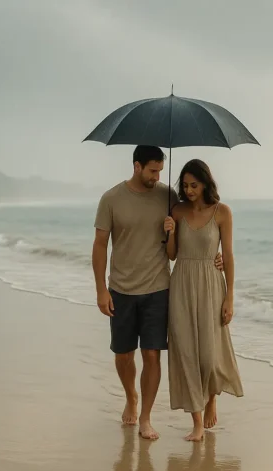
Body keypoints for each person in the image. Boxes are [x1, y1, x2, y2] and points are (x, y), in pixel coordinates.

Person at [92, 145, 224, 440]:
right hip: (122, 289)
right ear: (137, 166)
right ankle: (131, 397)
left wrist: (219, 257)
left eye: (161, 170)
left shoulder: (169, 198)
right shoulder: (111, 199)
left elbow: (197, 229)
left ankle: (146, 418)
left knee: (152, 354)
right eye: (152, 170)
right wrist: (101, 289)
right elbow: (100, 244)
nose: (158, 176)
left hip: (159, 288)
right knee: (123, 354)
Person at [164, 158, 244, 442]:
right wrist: (171, 231)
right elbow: (172, 255)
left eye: (194, 185)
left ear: (206, 183)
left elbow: (229, 255)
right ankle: (197, 422)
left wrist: (230, 296)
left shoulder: (222, 212)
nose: (189, 190)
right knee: (186, 353)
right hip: (182, 284)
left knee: (209, 356)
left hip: (212, 285)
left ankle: (211, 398)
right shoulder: (177, 210)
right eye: (184, 186)